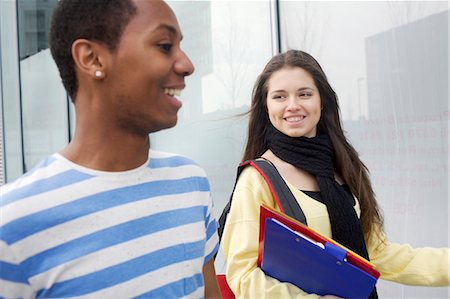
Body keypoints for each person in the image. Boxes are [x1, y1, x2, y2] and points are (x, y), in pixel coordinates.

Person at [0, 0, 221, 298]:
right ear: (91, 59)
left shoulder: (190, 183)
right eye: (165, 45)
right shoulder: (12, 225)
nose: (187, 65)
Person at [221, 49, 450, 298]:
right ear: (266, 106)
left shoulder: (343, 168)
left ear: (322, 101)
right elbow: (242, 276)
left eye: (304, 94)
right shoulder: (257, 179)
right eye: (279, 96)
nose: (293, 105)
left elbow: (376, 253)